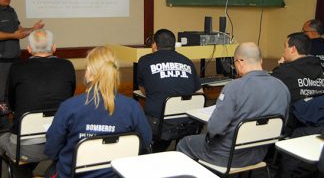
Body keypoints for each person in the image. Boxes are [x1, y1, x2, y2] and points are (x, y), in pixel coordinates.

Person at [177, 42, 290, 168]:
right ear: (261, 61)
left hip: (227, 156)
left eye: (234, 63)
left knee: (185, 143)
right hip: (259, 154)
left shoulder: (234, 87)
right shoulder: (282, 87)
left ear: (240, 62)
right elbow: (282, 125)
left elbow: (215, 129)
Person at [45, 46, 152, 178]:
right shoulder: (133, 107)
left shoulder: (69, 107)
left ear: (89, 71)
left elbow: (51, 149)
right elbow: (146, 142)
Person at [0, 29, 75, 177]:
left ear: (29, 49)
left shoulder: (17, 68)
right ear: (54, 47)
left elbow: (12, 105)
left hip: (25, 147)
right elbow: (69, 99)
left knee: (2, 139)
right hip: (61, 142)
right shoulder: (67, 66)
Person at [137, 29, 203, 151]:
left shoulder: (144, 60)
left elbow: (143, 89)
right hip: (188, 123)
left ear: (155, 45)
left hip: (159, 124)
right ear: (174, 45)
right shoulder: (187, 61)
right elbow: (200, 93)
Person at [272, 32, 324, 133]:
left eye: (285, 47)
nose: (283, 51)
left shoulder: (285, 71)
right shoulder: (318, 68)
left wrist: (280, 67)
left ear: (293, 49)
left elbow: (270, 87)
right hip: (315, 121)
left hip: (291, 124)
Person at [0, 0, 44, 105]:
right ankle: (3, 122)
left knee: (12, 93)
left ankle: (12, 119)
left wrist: (33, 29)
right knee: (1, 95)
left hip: (15, 60)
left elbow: (20, 31)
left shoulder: (12, 11)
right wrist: (13, 35)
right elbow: (15, 34)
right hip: (2, 62)